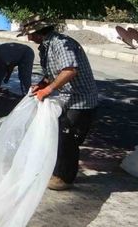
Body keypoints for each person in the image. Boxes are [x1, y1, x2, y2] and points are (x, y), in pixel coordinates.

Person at [18, 17, 98, 191]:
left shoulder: (61, 43)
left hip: (81, 100)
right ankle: (56, 170)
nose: (29, 38)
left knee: (67, 138)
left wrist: (48, 90)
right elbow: (52, 74)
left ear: (39, 32)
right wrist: (42, 84)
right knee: (59, 135)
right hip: (67, 97)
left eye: (30, 35)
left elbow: (70, 70)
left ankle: (64, 178)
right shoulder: (46, 47)